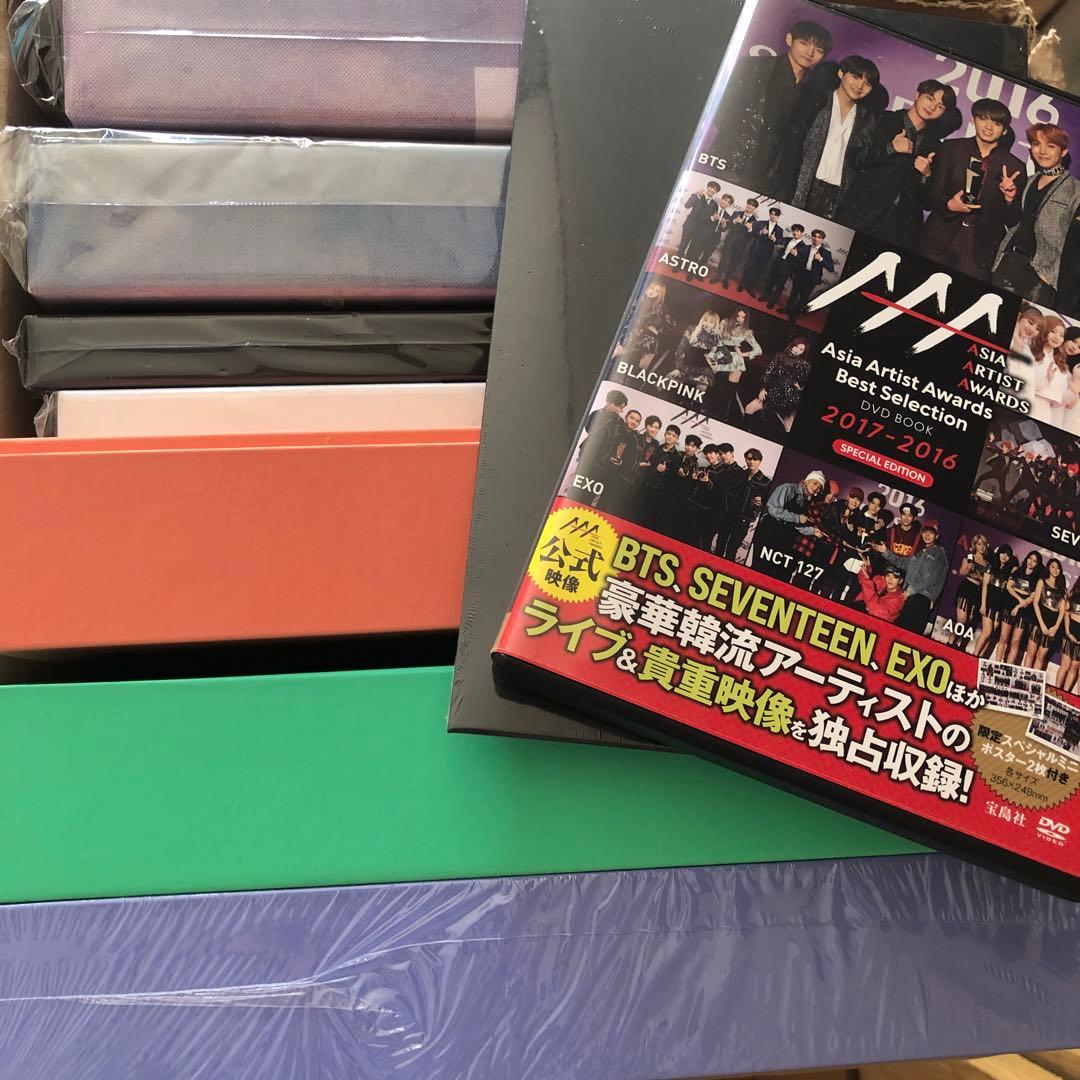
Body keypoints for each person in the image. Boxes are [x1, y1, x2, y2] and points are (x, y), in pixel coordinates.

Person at [711, 18, 833, 193]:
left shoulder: (816, 90)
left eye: (819, 50)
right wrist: (736, 148)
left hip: (772, 175)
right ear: (789, 39)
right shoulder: (756, 66)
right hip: (734, 160)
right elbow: (722, 110)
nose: (810, 52)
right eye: (804, 43)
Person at [839, 79, 960, 250]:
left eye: (940, 106)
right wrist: (890, 148)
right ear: (917, 95)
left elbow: (927, 203)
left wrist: (926, 175)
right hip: (860, 215)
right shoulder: (881, 119)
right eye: (930, 98)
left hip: (901, 231)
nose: (932, 107)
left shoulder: (937, 147)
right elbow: (854, 158)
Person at [920, 98, 1024, 283]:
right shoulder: (951, 148)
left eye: (996, 123)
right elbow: (932, 193)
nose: (988, 127)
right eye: (983, 118)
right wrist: (949, 204)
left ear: (1005, 130)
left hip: (979, 250)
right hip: (939, 238)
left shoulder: (1015, 166)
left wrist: (1010, 198)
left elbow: (1013, 220)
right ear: (973, 120)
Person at [993, 123, 1080, 309]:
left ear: (1064, 151)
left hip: (1041, 277)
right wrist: (1009, 200)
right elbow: (1013, 222)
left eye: (1051, 146)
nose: (1042, 151)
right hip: (1008, 262)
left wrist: (1049, 276)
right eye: (1036, 144)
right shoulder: (1028, 180)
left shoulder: (1076, 191)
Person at [788, 55, 885, 216]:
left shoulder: (867, 119)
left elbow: (861, 159)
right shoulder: (817, 101)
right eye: (855, 77)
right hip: (803, 184)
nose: (860, 86)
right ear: (841, 73)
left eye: (868, 83)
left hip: (837, 195)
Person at [875, 519, 949, 633]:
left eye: (931, 533)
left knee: (908, 632)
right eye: (925, 532)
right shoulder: (921, 553)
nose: (927, 535)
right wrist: (886, 552)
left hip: (921, 598)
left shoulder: (938, 554)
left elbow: (928, 578)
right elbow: (903, 563)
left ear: (937, 536)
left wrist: (910, 591)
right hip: (912, 597)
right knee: (900, 631)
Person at [756, 469, 826, 568]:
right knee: (758, 566)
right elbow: (773, 509)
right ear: (806, 481)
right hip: (769, 530)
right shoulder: (788, 488)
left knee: (769, 569)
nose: (816, 488)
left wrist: (813, 531)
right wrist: (797, 517)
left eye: (819, 488)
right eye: (815, 483)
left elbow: (796, 525)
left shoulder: (804, 501)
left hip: (783, 537)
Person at [744, 335, 812, 436]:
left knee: (788, 426)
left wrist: (801, 387)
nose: (797, 350)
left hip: (789, 394)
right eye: (796, 346)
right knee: (749, 408)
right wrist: (763, 389)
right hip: (773, 390)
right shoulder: (780, 355)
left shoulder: (804, 364)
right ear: (792, 345)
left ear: (803, 352)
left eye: (801, 349)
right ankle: (746, 432)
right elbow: (768, 372)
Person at [704, 309, 762, 421]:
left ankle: (722, 415)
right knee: (714, 384)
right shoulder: (725, 323)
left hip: (736, 360)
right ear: (734, 315)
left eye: (743, 317)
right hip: (722, 355)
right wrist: (711, 355)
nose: (740, 319)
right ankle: (706, 409)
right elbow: (716, 340)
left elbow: (758, 350)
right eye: (738, 316)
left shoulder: (746, 331)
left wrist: (743, 354)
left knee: (729, 389)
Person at [571, 388, 628, 500]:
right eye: (620, 407)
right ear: (609, 402)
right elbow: (588, 428)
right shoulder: (595, 413)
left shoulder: (620, 421)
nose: (621, 410)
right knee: (577, 487)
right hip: (587, 454)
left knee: (591, 492)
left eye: (622, 408)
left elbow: (619, 441)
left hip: (603, 461)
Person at [613, 280, 675, 372]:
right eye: (652, 288)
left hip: (649, 338)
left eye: (657, 291)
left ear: (660, 294)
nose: (652, 292)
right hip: (633, 334)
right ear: (647, 288)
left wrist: (656, 328)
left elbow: (671, 324)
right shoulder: (637, 299)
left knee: (642, 368)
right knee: (617, 351)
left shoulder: (659, 306)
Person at [724, 448, 772, 559]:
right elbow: (728, 490)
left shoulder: (766, 482)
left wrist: (759, 504)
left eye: (755, 459)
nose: (751, 462)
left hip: (744, 520)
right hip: (729, 515)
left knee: (731, 549)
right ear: (745, 459)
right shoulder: (740, 474)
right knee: (721, 542)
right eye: (749, 459)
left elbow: (767, 506)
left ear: (760, 461)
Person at [1025, 558, 1067, 671]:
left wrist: (1056, 627)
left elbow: (1062, 611)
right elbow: (1035, 603)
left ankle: (1033, 680)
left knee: (1041, 656)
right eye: (1053, 566)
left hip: (1052, 624)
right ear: (1048, 568)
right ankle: (1024, 677)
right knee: (1031, 653)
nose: (1055, 570)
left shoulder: (1063, 590)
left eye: (1058, 568)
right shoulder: (1042, 582)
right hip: (1038, 620)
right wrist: (1042, 624)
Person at [1000, 549, 1042, 663]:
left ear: (1037, 564)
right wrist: (1019, 600)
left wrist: (1019, 606)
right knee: (1003, 637)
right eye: (1030, 558)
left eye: (1034, 561)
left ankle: (1008, 666)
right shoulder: (1017, 570)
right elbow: (1009, 587)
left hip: (1024, 609)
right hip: (1010, 603)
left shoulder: (1037, 579)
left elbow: (1031, 598)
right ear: (1026, 558)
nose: (1031, 562)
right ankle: (996, 663)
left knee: (1015, 641)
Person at [976, 544, 1017, 659]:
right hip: (989, 600)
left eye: (1007, 555)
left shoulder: (1009, 570)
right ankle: (974, 655)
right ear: (998, 553)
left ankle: (981, 658)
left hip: (1000, 604)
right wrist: (983, 604)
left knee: (991, 633)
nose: (1004, 557)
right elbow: (985, 586)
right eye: (1002, 553)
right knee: (987, 632)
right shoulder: (991, 565)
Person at [783, 229, 834, 321]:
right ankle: (787, 309)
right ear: (812, 237)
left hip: (812, 278)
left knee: (803, 297)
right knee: (793, 293)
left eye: (819, 237)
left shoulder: (826, 253)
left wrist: (821, 259)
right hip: (800, 274)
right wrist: (796, 255)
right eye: (814, 236)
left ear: (822, 239)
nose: (816, 239)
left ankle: (793, 315)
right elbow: (799, 261)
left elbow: (831, 268)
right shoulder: (805, 248)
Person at [951, 533, 991, 649]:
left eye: (983, 545)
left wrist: (979, 577)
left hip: (977, 591)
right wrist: (969, 568)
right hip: (966, 588)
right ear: (975, 545)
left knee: (969, 622)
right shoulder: (970, 556)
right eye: (979, 544)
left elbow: (986, 582)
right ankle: (950, 643)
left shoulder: (987, 563)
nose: (981, 547)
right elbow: (961, 572)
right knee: (961, 621)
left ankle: (958, 646)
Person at [1029, 314, 1069, 427]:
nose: (1057, 337)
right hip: (1031, 403)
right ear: (1044, 329)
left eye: (1061, 335)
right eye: (1053, 331)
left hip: (1046, 411)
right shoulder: (1032, 352)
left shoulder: (1058, 362)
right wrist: (1047, 379)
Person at [712, 200, 759, 288]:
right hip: (730, 240)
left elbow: (753, 236)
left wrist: (750, 229)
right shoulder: (736, 213)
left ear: (755, 208)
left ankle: (726, 279)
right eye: (749, 204)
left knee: (733, 263)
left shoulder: (755, 221)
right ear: (746, 204)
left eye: (752, 206)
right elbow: (728, 225)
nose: (750, 206)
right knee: (724, 259)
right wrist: (734, 221)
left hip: (741, 245)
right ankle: (717, 277)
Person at [741, 206, 785, 297]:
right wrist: (761, 232)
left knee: (759, 271)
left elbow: (779, 242)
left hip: (766, 254)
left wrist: (774, 239)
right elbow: (753, 234)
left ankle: (751, 288)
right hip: (755, 249)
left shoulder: (780, 230)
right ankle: (742, 285)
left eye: (775, 215)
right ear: (769, 214)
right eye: (771, 214)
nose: (773, 216)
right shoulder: (760, 223)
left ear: (778, 216)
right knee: (748, 267)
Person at [764, 224, 805, 309]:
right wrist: (776, 241)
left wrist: (796, 255)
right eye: (794, 231)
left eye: (797, 231)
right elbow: (778, 242)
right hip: (778, 263)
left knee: (779, 286)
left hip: (787, 268)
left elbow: (802, 261)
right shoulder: (787, 239)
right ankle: (765, 296)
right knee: (771, 281)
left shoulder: (804, 247)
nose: (795, 233)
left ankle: (772, 302)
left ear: (802, 233)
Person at [678, 181, 721, 262]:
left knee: (693, 250)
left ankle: (686, 265)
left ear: (716, 192)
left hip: (700, 230)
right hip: (689, 226)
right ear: (707, 187)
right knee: (683, 246)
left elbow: (710, 219)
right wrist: (697, 195)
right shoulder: (697, 196)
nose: (712, 190)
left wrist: (713, 218)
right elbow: (687, 205)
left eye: (715, 189)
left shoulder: (715, 205)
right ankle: (677, 263)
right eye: (711, 187)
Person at [856, 559, 906, 624]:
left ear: (900, 581)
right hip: (858, 610)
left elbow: (874, 607)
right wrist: (867, 570)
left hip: (873, 623)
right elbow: (863, 582)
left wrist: (866, 580)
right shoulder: (880, 581)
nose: (890, 579)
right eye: (888, 575)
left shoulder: (898, 600)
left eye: (895, 577)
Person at [1056, 578, 1080, 692]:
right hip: (1070, 632)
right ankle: (1056, 691)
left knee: (1074, 667)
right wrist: (1068, 632)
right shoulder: (1074, 593)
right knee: (1064, 665)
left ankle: (1065, 694)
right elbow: (1066, 614)